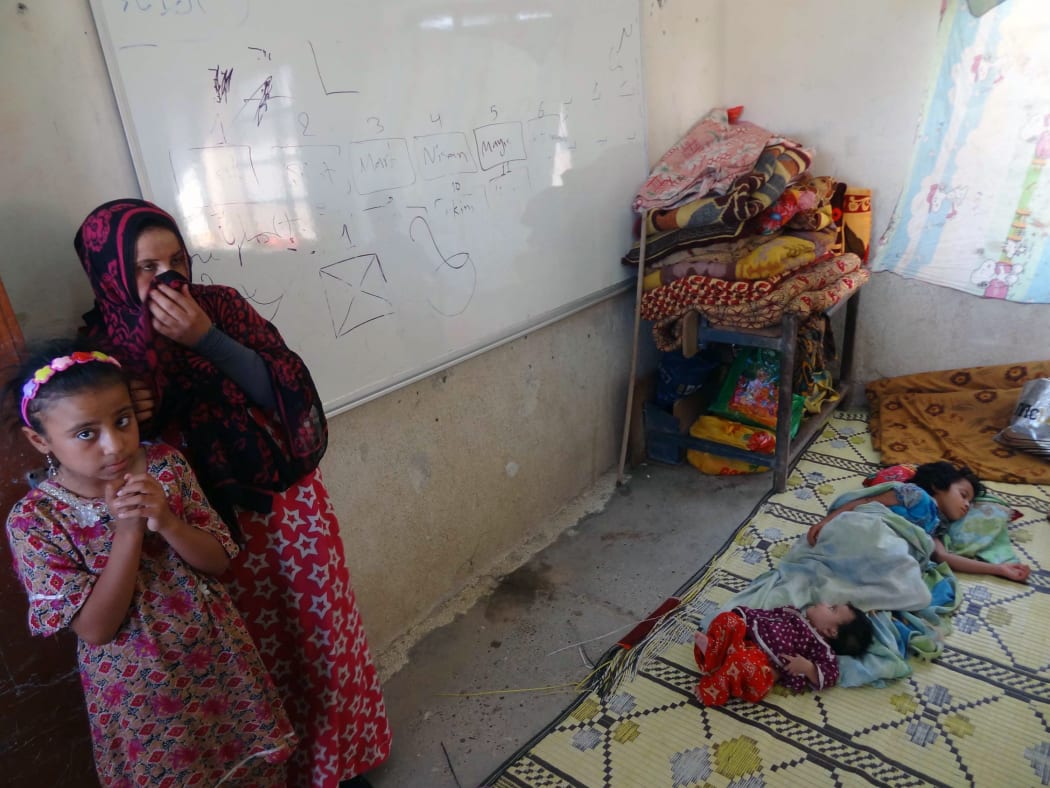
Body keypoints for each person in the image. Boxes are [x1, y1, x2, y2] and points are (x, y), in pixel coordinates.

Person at [74, 199, 391, 787]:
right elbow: (104, 454)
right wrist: (136, 414)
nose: (170, 279)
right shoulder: (99, 352)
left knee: (322, 643)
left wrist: (208, 339)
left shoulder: (220, 308)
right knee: (255, 661)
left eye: (178, 260)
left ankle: (338, 768)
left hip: (283, 508)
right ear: (111, 273)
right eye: (147, 267)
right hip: (201, 529)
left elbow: (290, 396)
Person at [4, 341, 298, 785]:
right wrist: (128, 532)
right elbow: (96, 629)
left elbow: (217, 562)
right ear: (40, 439)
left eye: (122, 421)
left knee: (249, 770)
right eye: (86, 433)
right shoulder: (35, 521)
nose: (114, 445)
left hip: (216, 655)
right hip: (140, 688)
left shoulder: (166, 466)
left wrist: (167, 521)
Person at [806, 460, 1031, 583]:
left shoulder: (936, 526)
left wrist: (998, 569)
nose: (966, 506)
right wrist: (826, 521)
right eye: (963, 495)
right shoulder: (914, 495)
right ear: (937, 484)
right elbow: (866, 502)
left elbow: (943, 557)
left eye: (970, 504)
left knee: (909, 570)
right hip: (869, 531)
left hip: (884, 553)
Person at [693, 602, 873, 706]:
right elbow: (764, 615)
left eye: (832, 608)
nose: (824, 602)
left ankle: (716, 685)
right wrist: (744, 615)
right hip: (743, 638)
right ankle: (713, 655)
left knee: (745, 663)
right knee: (729, 620)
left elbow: (831, 675)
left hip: (761, 663)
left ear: (832, 631)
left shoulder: (821, 649)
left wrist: (809, 668)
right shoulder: (793, 613)